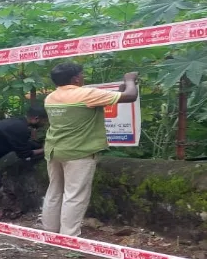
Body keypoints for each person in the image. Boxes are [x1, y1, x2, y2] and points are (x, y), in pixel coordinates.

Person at [42, 63, 139, 236]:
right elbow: (130, 95)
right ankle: (69, 236)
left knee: (54, 191)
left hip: (54, 150)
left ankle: (49, 231)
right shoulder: (86, 94)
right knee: (75, 195)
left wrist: (121, 88)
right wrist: (130, 79)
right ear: (76, 79)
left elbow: (117, 95)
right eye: (82, 74)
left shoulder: (50, 98)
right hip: (78, 152)